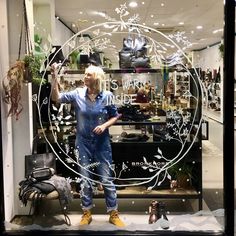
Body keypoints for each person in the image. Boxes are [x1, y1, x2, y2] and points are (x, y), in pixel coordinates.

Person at [50, 63, 125, 227]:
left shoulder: (107, 95)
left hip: (102, 143)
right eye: (85, 74)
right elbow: (56, 97)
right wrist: (54, 76)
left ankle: (113, 213)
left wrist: (105, 125)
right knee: (85, 179)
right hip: (83, 142)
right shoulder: (77, 94)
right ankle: (86, 213)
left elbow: (115, 115)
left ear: (96, 78)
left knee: (106, 179)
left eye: (88, 75)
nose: (85, 77)